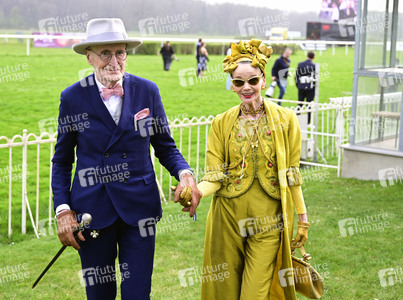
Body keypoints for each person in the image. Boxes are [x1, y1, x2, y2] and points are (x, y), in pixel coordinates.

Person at [51, 18, 201, 300]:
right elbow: (61, 161)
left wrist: (185, 173)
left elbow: (165, 147)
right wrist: (62, 210)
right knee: (99, 294)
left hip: (139, 210)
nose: (114, 61)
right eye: (105, 53)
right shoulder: (72, 98)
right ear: (89, 56)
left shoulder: (148, 91)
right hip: (92, 212)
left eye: (120, 52)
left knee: (137, 293)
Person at [195, 38, 310, 299]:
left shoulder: (286, 119)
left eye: (252, 81)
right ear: (232, 86)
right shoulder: (220, 123)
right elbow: (214, 176)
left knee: (254, 293)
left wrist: (302, 219)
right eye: (238, 82)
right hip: (227, 219)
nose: (246, 87)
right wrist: (196, 192)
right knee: (224, 290)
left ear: (264, 81)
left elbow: (292, 174)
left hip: (269, 221)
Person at [295, 51, 317, 124]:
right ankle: (308, 122)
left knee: (299, 103)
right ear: (313, 57)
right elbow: (315, 77)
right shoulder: (314, 66)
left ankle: (297, 120)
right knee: (309, 105)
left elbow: (296, 76)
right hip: (310, 87)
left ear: (307, 56)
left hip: (301, 86)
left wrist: (298, 85)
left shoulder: (300, 64)